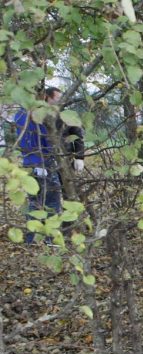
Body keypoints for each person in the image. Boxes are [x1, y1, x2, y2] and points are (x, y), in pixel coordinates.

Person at [13, 87, 84, 243]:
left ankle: (32, 240)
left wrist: (78, 155)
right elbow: (45, 142)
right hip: (45, 164)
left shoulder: (19, 115)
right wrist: (48, 158)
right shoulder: (37, 117)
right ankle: (50, 240)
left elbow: (77, 133)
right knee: (51, 203)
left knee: (35, 202)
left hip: (30, 164)